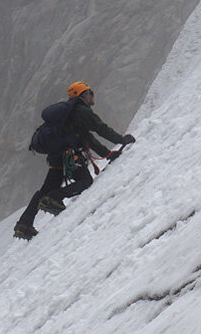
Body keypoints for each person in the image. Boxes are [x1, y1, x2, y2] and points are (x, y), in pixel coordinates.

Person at [14, 81, 135, 239]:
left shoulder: (69, 114)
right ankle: (54, 198)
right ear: (83, 94)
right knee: (85, 181)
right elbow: (100, 129)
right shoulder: (81, 111)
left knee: (46, 189)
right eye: (90, 92)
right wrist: (121, 140)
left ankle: (24, 224)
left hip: (56, 156)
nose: (92, 96)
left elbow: (87, 138)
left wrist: (107, 154)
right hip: (70, 155)